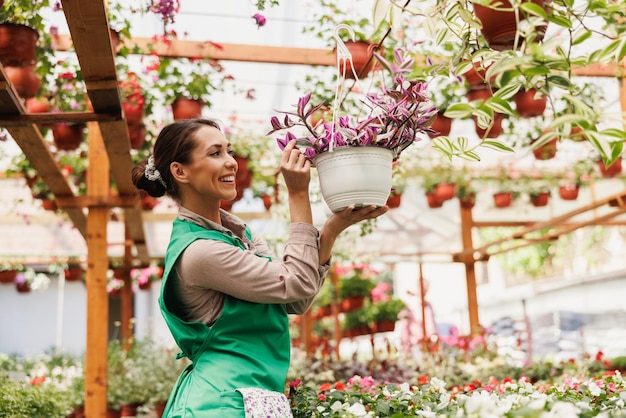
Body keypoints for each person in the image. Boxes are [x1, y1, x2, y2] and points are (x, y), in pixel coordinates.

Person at [131, 118, 388, 417]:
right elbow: (298, 284)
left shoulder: (240, 235)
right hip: (219, 404)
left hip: (256, 397)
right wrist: (296, 194)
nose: (231, 163)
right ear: (180, 171)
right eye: (215, 154)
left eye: (229, 151)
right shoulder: (200, 252)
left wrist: (329, 232)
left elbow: (295, 299)